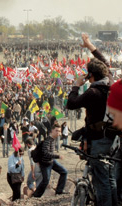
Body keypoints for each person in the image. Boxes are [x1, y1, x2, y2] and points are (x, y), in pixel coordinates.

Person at [67, 33, 116, 206]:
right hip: (113, 138)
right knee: (110, 178)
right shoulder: (110, 81)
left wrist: (76, 85)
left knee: (101, 180)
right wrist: (89, 45)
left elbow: (71, 103)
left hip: (99, 139)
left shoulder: (93, 93)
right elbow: (104, 61)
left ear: (90, 76)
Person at [33, 124, 68, 197]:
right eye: (56, 131)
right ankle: (36, 195)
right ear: (52, 131)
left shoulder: (53, 140)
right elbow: (46, 153)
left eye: (59, 131)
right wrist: (58, 156)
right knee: (45, 181)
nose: (58, 133)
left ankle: (59, 191)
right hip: (45, 163)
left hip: (51, 161)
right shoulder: (48, 140)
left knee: (64, 172)